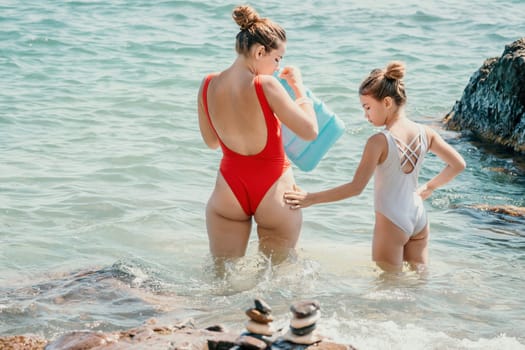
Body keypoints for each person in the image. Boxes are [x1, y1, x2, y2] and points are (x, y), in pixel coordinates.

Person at [284, 61, 466, 273]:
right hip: (418, 216)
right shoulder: (426, 132)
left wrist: (311, 198)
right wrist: (429, 187)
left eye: (367, 107)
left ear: (387, 102)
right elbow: (458, 164)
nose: (366, 115)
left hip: (392, 220)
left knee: (387, 287)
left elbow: (356, 188)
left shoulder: (378, 141)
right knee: (419, 283)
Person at [197, 5, 318, 269]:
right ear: (260, 52)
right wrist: (299, 89)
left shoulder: (207, 84)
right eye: (277, 59)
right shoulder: (265, 85)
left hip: (228, 191)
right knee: (277, 277)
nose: (278, 67)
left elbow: (211, 142)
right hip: (274, 191)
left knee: (221, 277)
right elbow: (310, 131)